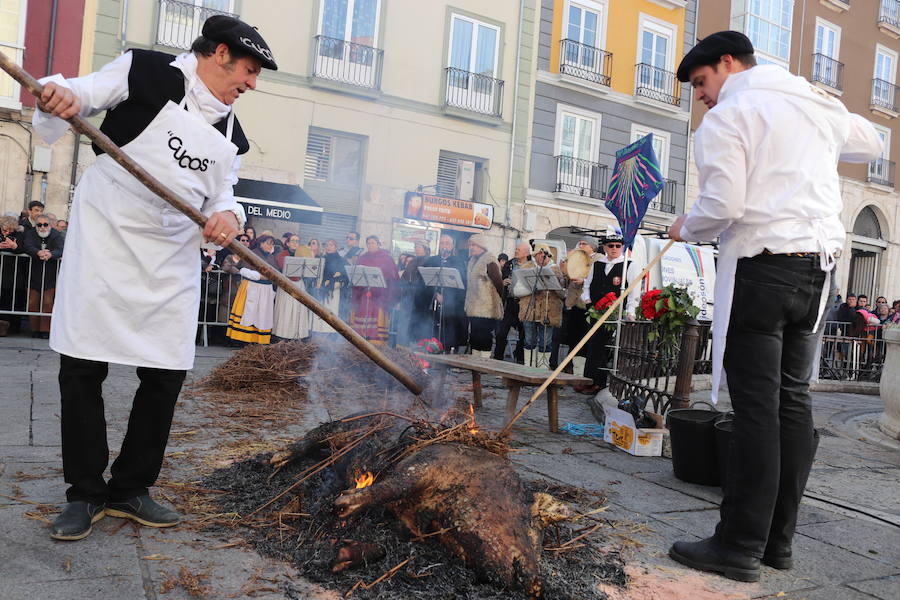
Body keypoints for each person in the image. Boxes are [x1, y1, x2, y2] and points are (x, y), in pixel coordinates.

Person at [33, 14, 277, 541]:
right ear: (218, 54)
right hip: (108, 233)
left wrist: (229, 218)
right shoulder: (145, 72)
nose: (251, 84)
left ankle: (130, 488)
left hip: (170, 253)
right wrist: (58, 98)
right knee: (82, 366)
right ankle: (84, 494)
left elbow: (224, 194)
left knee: (165, 373)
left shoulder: (232, 134)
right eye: (249, 71)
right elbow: (77, 92)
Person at [666, 31, 882, 582]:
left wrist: (685, 225)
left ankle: (738, 544)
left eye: (702, 81)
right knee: (791, 402)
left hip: (763, 266)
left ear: (729, 63)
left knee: (759, 410)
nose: (702, 96)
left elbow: (723, 204)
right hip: (818, 271)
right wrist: (823, 100)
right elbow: (871, 144)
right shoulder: (811, 102)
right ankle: (776, 544)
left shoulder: (729, 117)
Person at [226, 235, 279, 344]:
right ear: (261, 243)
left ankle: (259, 340)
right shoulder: (252, 254)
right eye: (268, 243)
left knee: (262, 315)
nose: (271, 246)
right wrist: (259, 276)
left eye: (272, 244)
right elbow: (242, 269)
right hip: (253, 287)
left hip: (266, 290)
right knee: (250, 314)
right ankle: (244, 340)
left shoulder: (271, 257)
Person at [518, 244, 564, 367]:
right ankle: (529, 366)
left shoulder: (556, 270)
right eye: (538, 254)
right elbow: (517, 289)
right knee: (529, 339)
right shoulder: (527, 267)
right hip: (530, 308)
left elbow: (561, 293)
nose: (541, 257)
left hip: (548, 311)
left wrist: (556, 282)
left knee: (546, 341)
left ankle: (542, 368)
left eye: (543, 254)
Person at [350, 235, 399, 345]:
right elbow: (356, 276)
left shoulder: (386, 258)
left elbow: (393, 279)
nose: (370, 245)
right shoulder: (362, 258)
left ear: (378, 244)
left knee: (377, 320)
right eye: (368, 243)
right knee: (361, 318)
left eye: (373, 243)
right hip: (364, 295)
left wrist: (389, 297)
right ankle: (360, 343)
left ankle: (376, 345)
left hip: (379, 297)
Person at [21, 214, 64, 338]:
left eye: (45, 224)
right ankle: (35, 329)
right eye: (39, 224)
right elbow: (27, 246)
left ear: (49, 225)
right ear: (36, 225)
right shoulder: (30, 234)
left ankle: (45, 330)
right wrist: (38, 252)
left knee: (48, 303)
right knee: (32, 302)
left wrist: (50, 254)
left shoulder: (56, 234)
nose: (42, 227)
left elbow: (60, 248)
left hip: (50, 275)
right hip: (33, 274)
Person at [423, 234, 467, 351]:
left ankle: (448, 357)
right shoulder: (431, 261)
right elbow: (424, 281)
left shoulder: (459, 262)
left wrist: (446, 298)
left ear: (452, 246)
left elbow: (462, 285)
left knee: (449, 335)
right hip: (434, 304)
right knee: (431, 331)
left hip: (452, 308)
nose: (444, 246)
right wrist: (435, 295)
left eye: (447, 243)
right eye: (442, 243)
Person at [464, 234, 503, 357]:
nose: (471, 247)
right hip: (474, 305)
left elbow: (499, 284)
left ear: (481, 246)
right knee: (475, 335)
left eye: (474, 245)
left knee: (484, 336)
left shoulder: (489, 260)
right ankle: (475, 364)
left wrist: (496, 302)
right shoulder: (472, 260)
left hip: (487, 307)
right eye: (470, 245)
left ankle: (485, 362)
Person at [493, 241, 530, 363]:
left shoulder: (532, 265)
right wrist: (503, 282)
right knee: (501, 333)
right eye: (516, 249)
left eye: (518, 250)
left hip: (524, 304)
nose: (515, 251)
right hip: (509, 303)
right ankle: (497, 360)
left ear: (526, 253)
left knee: (523, 335)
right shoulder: (509, 264)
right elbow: (501, 279)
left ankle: (520, 361)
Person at [272, 234, 311, 341]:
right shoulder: (282, 255)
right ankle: (282, 334)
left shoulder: (302, 254)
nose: (295, 243)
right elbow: (284, 269)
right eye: (292, 240)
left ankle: (297, 334)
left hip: (299, 284)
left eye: (297, 241)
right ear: (288, 243)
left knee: (298, 309)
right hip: (286, 284)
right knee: (286, 309)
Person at [311, 238, 348, 336]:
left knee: (331, 313)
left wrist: (332, 282)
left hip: (333, 292)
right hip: (320, 291)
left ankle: (330, 336)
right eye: (327, 245)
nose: (328, 247)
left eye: (331, 245)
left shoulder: (341, 261)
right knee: (319, 314)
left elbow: (345, 277)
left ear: (336, 247)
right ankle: (317, 336)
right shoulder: (321, 259)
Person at [403, 240, 433, 344]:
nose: (416, 249)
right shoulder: (412, 261)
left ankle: (420, 344)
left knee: (420, 321)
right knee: (407, 321)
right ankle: (408, 343)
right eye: (415, 246)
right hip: (409, 296)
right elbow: (405, 277)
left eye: (419, 247)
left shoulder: (429, 260)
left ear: (425, 248)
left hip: (422, 297)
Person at [339, 231, 362, 321]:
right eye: (347, 238)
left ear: (357, 241)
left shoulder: (359, 252)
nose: (348, 240)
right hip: (340, 283)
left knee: (348, 310)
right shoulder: (341, 251)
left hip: (352, 285)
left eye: (351, 238)